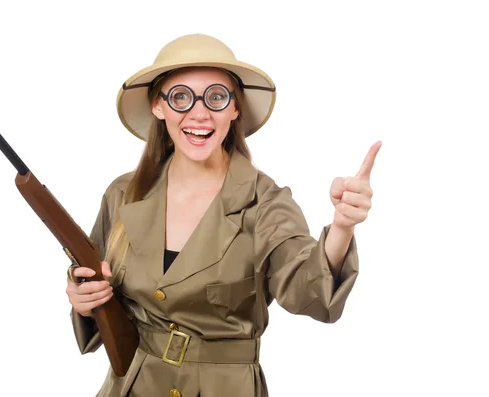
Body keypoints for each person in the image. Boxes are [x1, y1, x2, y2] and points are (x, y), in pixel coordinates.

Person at [65, 33, 381, 397]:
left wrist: (342, 226)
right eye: (180, 97)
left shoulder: (264, 202)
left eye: (216, 97)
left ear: (234, 108)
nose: (199, 113)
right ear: (158, 106)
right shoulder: (123, 194)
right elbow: (97, 284)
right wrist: (83, 298)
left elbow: (310, 294)